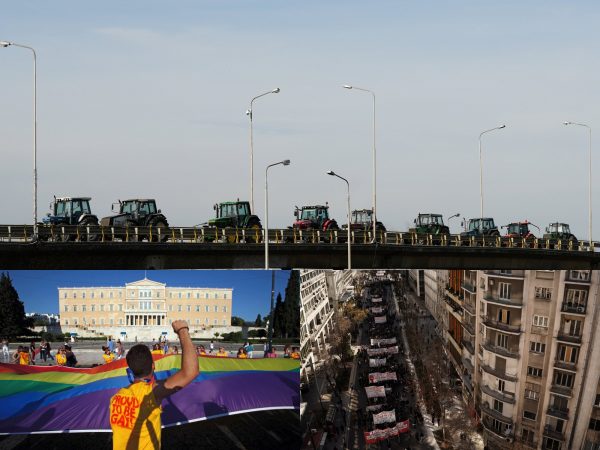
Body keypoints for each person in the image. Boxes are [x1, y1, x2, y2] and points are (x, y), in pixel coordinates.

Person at [109, 320, 199, 450]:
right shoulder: (151, 393)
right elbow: (190, 372)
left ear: (131, 370)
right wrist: (183, 330)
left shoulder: (115, 398)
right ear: (153, 366)